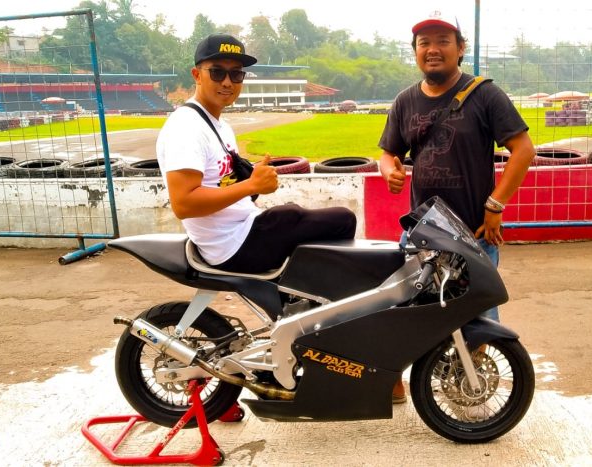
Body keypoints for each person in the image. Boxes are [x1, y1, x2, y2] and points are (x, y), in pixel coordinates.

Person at [378, 13, 536, 403]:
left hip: (472, 231)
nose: (432, 49)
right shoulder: (405, 100)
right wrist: (390, 171)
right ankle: (391, 380)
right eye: (424, 43)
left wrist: (495, 205)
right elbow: (388, 152)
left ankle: (469, 385)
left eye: (443, 41)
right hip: (420, 231)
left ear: (461, 48)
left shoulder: (485, 95)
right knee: (402, 308)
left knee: (476, 314)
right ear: (415, 51)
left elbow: (523, 150)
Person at [157, 33, 356, 274]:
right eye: (217, 72)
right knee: (343, 220)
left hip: (243, 230)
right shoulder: (187, 126)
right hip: (232, 245)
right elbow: (184, 204)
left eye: (236, 74)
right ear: (197, 75)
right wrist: (251, 185)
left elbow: (223, 184)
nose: (227, 82)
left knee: (293, 216)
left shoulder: (218, 125)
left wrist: (251, 180)